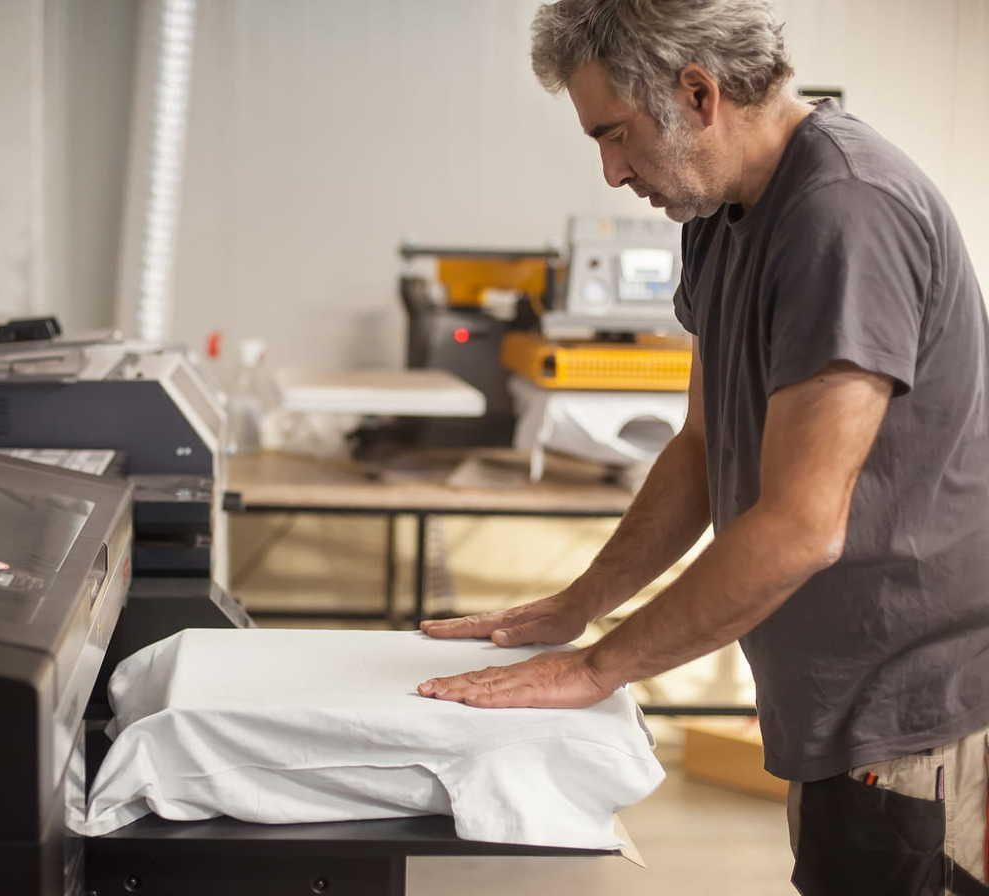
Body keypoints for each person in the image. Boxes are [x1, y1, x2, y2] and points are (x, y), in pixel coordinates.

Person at [415, 2, 989, 893]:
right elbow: (701, 446)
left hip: (915, 711)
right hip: (839, 699)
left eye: (616, 134)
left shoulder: (844, 211)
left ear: (697, 92)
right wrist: (578, 607)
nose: (610, 172)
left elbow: (802, 525)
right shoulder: (719, 214)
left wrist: (595, 668)